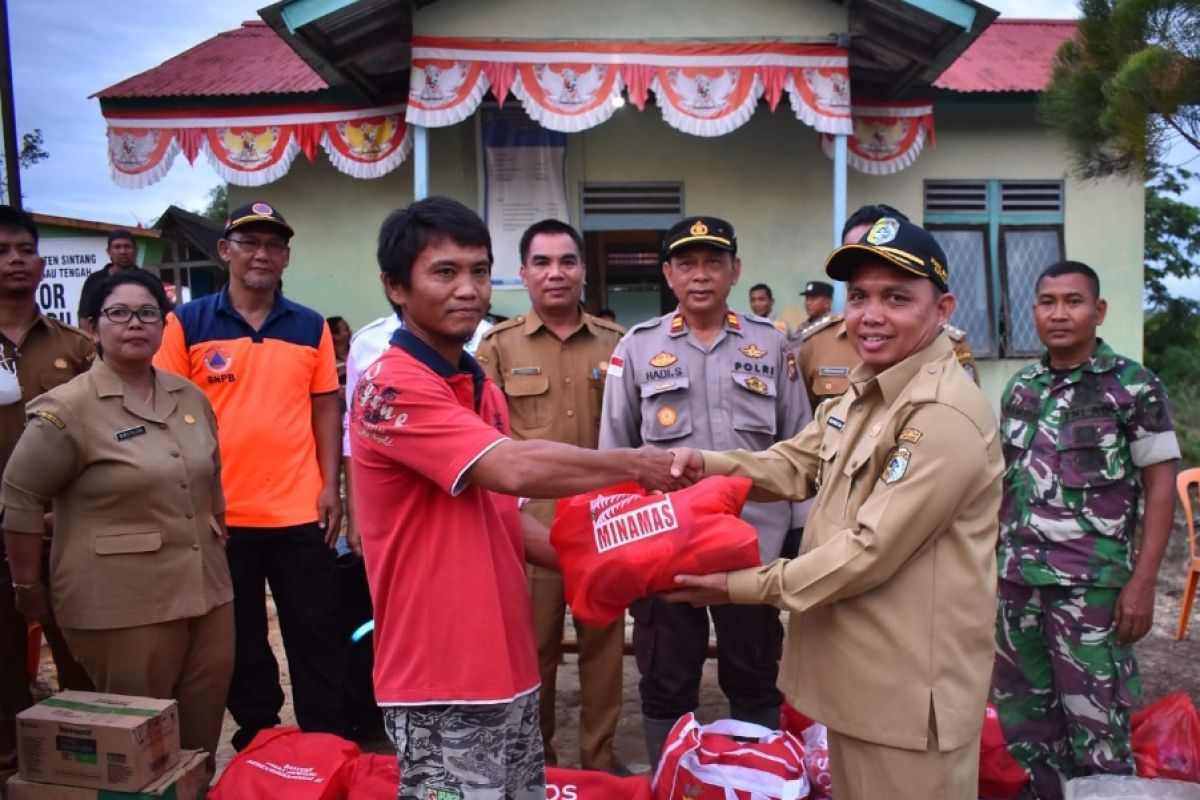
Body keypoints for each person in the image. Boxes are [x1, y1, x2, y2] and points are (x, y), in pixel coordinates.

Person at [349, 196, 679, 800]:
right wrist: (633, 465)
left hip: (508, 667)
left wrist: (620, 565)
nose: (468, 289)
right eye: (444, 272)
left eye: (478, 271)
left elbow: (507, 521)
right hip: (440, 677)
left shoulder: (479, 387)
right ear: (396, 286)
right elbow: (514, 469)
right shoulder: (391, 387)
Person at [666, 216, 1004, 799]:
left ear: (943, 307)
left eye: (896, 298)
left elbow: (868, 551)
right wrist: (702, 463)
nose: (870, 315)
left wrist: (736, 586)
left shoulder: (943, 413)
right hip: (861, 682)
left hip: (907, 695)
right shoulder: (868, 387)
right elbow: (794, 464)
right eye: (860, 297)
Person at [599, 216, 810, 767]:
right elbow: (615, 453)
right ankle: (674, 778)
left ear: (734, 271)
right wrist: (623, 544)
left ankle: (756, 776)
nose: (701, 276)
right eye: (687, 263)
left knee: (756, 673)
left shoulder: (772, 345)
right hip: (663, 549)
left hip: (753, 548)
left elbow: (800, 444)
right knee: (666, 676)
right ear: (668, 273)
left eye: (713, 263)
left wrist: (799, 530)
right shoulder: (638, 347)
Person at [2, 269, 233, 770]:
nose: (136, 323)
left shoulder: (188, 396)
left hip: (206, 593)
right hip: (121, 603)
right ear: (91, 326)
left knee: (199, 741)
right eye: (119, 313)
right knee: (138, 750)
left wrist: (218, 525)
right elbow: (19, 497)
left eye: (149, 313)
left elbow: (210, 474)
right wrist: (26, 587)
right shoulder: (70, 408)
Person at [154, 201, 345, 751]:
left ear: (286, 257)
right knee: (238, 638)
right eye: (249, 242)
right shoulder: (187, 322)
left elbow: (326, 408)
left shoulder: (310, 325)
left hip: (300, 510)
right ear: (225, 251)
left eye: (274, 245)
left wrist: (329, 487)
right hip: (222, 516)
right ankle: (259, 738)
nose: (262, 254)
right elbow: (167, 409)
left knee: (316, 629)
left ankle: (325, 741)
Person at [991, 260, 1179, 800]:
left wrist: (1141, 584)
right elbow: (1007, 483)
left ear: (1098, 311)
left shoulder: (1133, 387)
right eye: (1048, 301)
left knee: (1097, 721)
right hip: (1019, 582)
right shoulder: (1022, 387)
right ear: (1034, 311)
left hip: (1091, 588)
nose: (1059, 313)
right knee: (1025, 719)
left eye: (1073, 301)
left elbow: (1160, 488)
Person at [476, 219, 628, 775]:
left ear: (583, 271)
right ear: (522, 274)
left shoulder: (617, 345)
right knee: (531, 652)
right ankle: (534, 764)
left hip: (603, 526)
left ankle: (598, 763)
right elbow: (484, 439)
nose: (556, 273)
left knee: (603, 652)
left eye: (567, 261)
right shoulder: (496, 347)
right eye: (542, 262)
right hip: (530, 531)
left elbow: (630, 436)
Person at [0, 207, 94, 781]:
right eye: (2, 249)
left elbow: (99, 435)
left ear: (41, 263)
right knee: (3, 664)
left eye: (24, 249)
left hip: (63, 533)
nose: (14, 259)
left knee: (80, 655)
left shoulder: (76, 348)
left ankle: (82, 772)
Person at [798, 204, 978, 411]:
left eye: (895, 297)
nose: (868, 270)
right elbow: (803, 425)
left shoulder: (947, 347)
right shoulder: (816, 343)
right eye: (858, 259)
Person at [76, 229, 140, 334]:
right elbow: (84, 316)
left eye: (127, 246)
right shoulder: (95, 280)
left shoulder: (148, 280)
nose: (122, 251)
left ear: (136, 251)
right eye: (117, 247)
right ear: (109, 252)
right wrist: (89, 344)